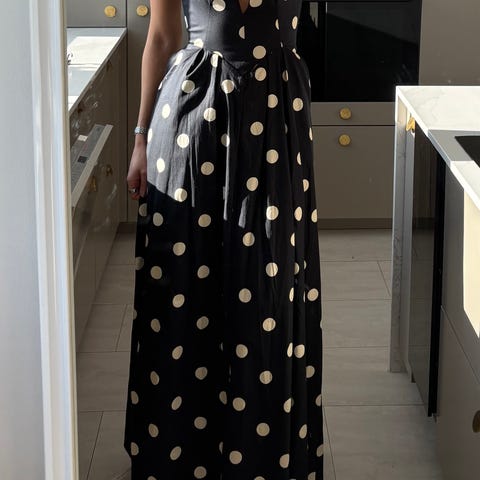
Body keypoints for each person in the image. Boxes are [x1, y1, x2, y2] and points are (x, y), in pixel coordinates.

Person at [124, 1, 323, 479]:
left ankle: (259, 457)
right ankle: (179, 457)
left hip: (277, 125)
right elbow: (161, 38)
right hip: (192, 123)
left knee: (270, 290)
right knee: (184, 289)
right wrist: (140, 139)